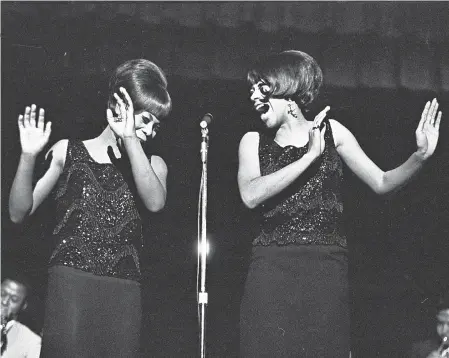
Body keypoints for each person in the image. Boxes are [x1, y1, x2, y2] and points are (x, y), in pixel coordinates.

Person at [237, 50, 442, 358]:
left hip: (325, 269)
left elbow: (382, 182)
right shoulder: (252, 141)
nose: (253, 96)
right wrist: (309, 157)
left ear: (286, 88)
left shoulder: (334, 132)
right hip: (270, 269)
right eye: (251, 89)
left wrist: (419, 157)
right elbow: (250, 195)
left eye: (261, 87)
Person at [8, 59, 172, 357]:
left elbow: (155, 202)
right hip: (70, 286)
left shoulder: (153, 165)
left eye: (156, 125)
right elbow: (19, 213)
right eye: (145, 119)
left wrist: (130, 136)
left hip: (123, 292)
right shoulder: (66, 152)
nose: (151, 130)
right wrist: (28, 156)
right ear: (119, 108)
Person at [1, 273, 41, 358]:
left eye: (14, 299)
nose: (5, 302)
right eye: (2, 294)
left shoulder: (32, 342)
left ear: (23, 306)